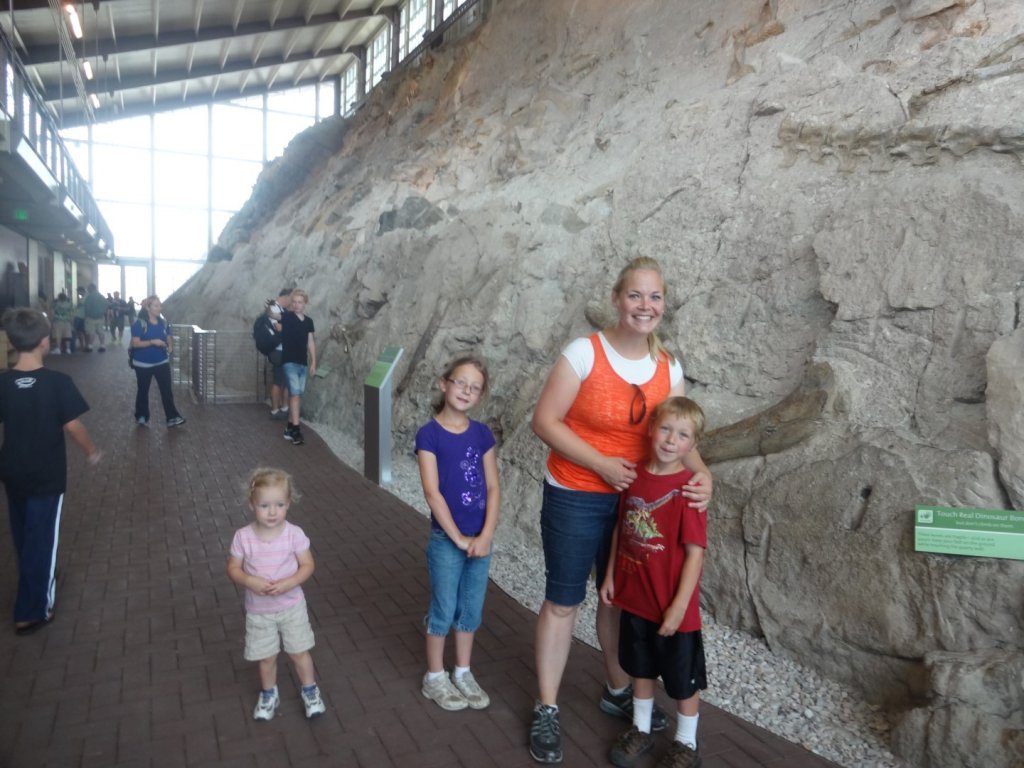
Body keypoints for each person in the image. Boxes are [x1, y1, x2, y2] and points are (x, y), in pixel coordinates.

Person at [528, 256, 713, 764]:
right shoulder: (584, 353)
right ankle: (546, 707)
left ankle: (617, 687)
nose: (645, 306)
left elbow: (678, 433)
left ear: (664, 304)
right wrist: (602, 465)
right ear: (616, 298)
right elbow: (544, 421)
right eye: (635, 295)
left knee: (619, 598)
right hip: (576, 491)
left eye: (654, 297)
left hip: (640, 500)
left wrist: (704, 475)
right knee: (564, 601)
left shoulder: (667, 366)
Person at [599, 397, 708, 768]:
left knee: (681, 679)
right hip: (636, 599)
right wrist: (611, 574)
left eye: (682, 435)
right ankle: (641, 729)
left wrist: (679, 606)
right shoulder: (633, 477)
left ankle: (685, 743)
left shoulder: (689, 489)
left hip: (672, 606)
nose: (670, 440)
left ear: (692, 446)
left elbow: (695, 552)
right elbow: (621, 529)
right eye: (665, 428)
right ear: (650, 429)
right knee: (640, 667)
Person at [0, 308, 102, 635]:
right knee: (44, 536)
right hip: (46, 474)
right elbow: (73, 427)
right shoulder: (58, 383)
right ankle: (33, 609)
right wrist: (92, 452)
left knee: (23, 530)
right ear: (45, 342)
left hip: (12, 470)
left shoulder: (3, 383)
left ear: (11, 341)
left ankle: (38, 577)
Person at [415, 356, 500, 711]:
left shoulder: (482, 434)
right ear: (443, 383)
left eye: (475, 387)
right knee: (444, 607)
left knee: (471, 609)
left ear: (480, 396)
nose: (466, 390)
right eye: (460, 382)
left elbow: (494, 487)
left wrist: (485, 536)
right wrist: (459, 538)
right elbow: (432, 493)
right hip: (447, 541)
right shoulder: (429, 435)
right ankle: (434, 676)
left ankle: (462, 671)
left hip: (480, 540)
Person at [227, 467, 326, 721]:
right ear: (252, 504)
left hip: (292, 606)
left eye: (279, 504)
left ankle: (310, 689)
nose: (272, 512)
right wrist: (250, 581)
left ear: (289, 503)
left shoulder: (294, 534)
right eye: (264, 505)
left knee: (299, 651)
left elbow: (308, 565)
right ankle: (269, 692)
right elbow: (233, 568)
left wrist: (290, 582)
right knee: (266, 656)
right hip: (259, 612)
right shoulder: (243, 537)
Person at [129, 296, 185, 427]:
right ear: (148, 308)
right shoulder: (139, 324)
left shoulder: (164, 323)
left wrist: (170, 345)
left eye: (160, 305)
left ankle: (172, 417)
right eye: (156, 306)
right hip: (143, 364)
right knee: (143, 390)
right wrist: (152, 342)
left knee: (166, 390)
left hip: (161, 362)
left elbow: (168, 336)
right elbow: (135, 343)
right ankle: (141, 415)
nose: (160, 308)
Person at [279, 289, 315, 446]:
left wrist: (314, 362)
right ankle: (296, 429)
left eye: (299, 302)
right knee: (294, 393)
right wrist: (269, 309)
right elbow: (275, 316)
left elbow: (311, 342)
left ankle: (288, 427)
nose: (296, 305)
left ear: (305, 303)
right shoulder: (287, 317)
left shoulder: (308, 322)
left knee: (297, 395)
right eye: (294, 302)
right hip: (289, 362)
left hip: (302, 363)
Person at [267, 289, 291, 419]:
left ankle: (284, 407)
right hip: (278, 350)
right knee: (277, 381)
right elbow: (279, 328)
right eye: (291, 299)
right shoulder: (273, 309)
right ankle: (275, 410)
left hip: (285, 350)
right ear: (285, 297)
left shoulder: (282, 310)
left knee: (285, 381)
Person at [82, 284, 107, 352]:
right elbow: (106, 305)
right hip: (100, 317)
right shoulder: (101, 296)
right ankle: (102, 345)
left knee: (91, 332)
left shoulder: (89, 297)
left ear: (91, 289)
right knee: (101, 332)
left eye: (88, 289)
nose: (88, 290)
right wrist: (102, 312)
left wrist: (86, 315)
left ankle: (90, 346)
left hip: (90, 318)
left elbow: (86, 307)